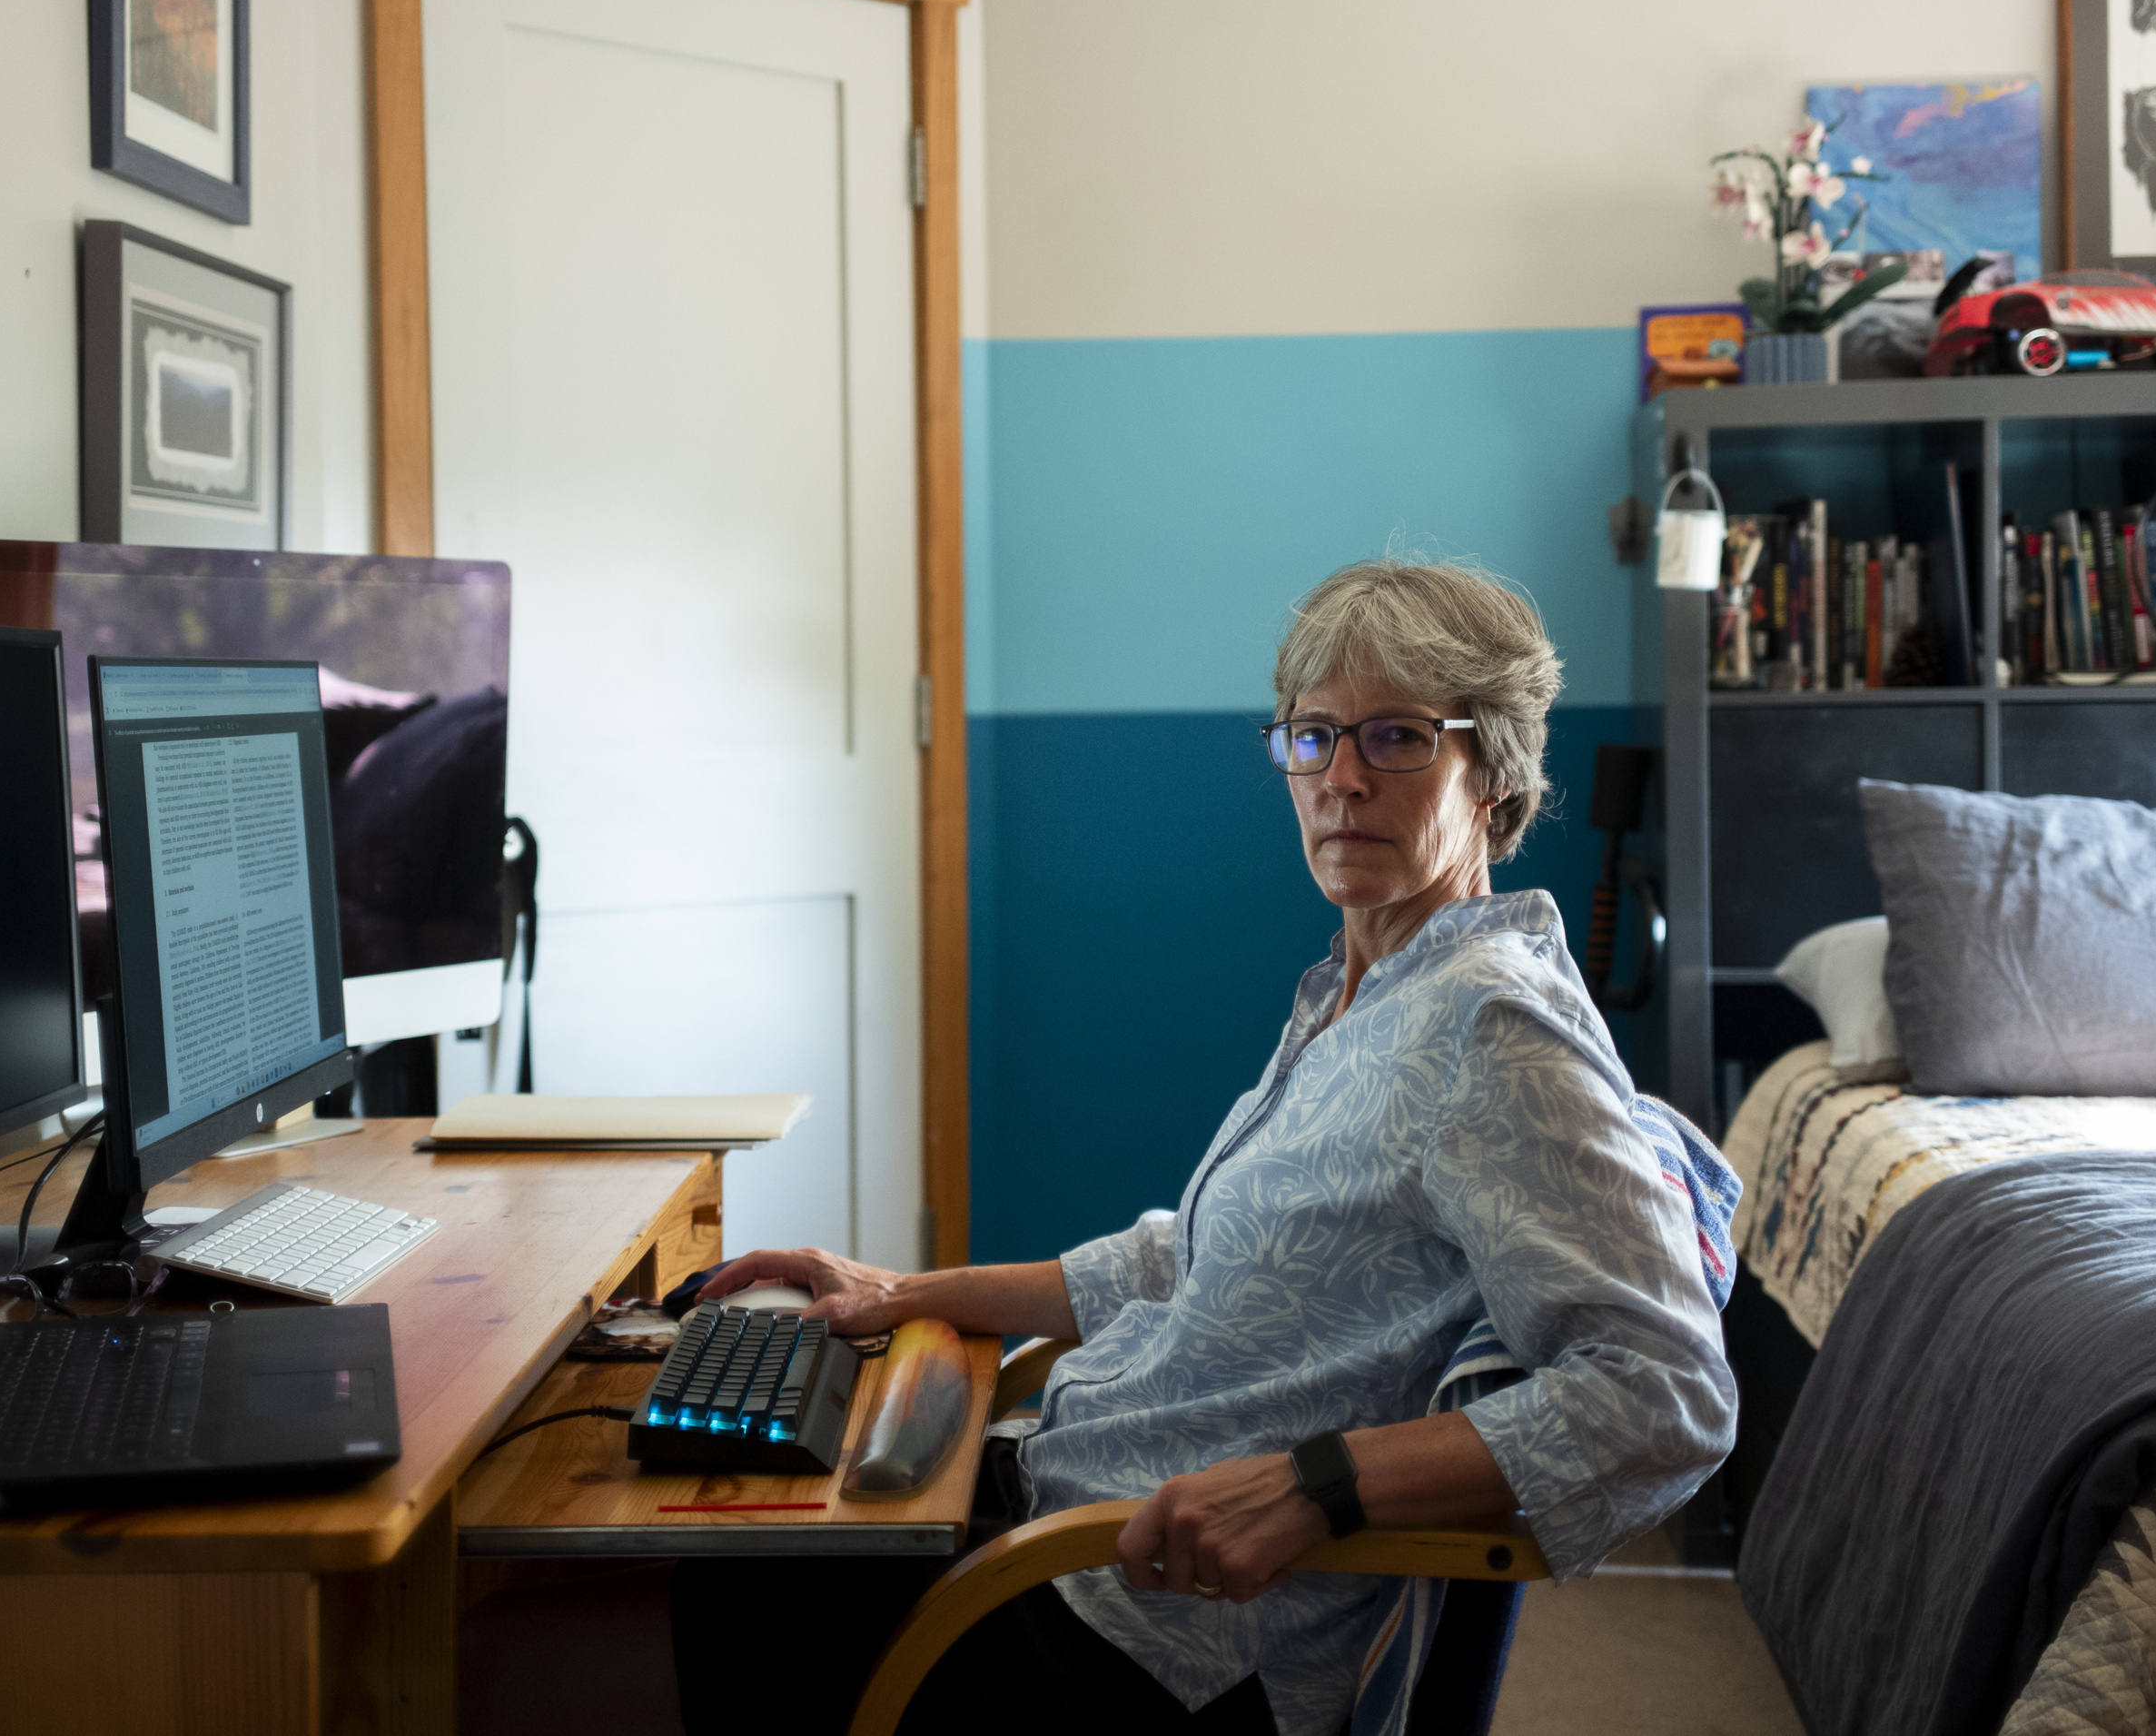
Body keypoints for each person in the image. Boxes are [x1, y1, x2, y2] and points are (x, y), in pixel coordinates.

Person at [674, 556, 1737, 1736]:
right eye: (1312, 737)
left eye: (1393, 739)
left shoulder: (1492, 1025)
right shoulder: (1362, 986)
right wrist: (902, 1291)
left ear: (1491, 773)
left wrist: (1317, 1483)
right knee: (763, 1515)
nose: (1339, 780)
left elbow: (1666, 1394)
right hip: (1085, 1508)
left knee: (733, 1571)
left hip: (1164, 1620)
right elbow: (1189, 1261)